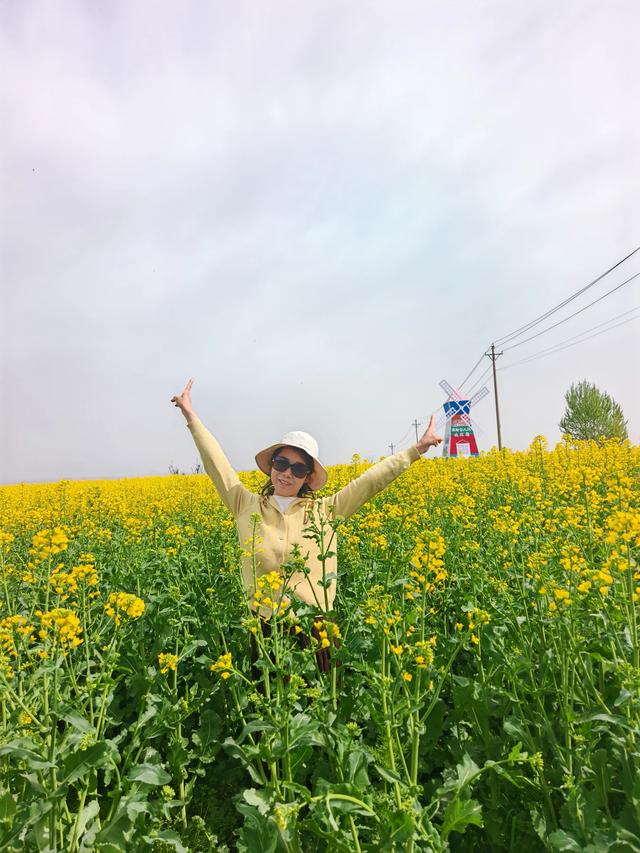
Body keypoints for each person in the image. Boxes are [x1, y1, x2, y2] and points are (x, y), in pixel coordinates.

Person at [171, 378, 442, 621]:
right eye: (281, 463)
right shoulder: (246, 505)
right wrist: (191, 416)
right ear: (272, 466)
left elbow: (370, 482)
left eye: (298, 468)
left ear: (308, 477)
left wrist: (415, 450)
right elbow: (217, 464)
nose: (287, 473)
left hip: (315, 627)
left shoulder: (326, 512)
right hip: (265, 628)